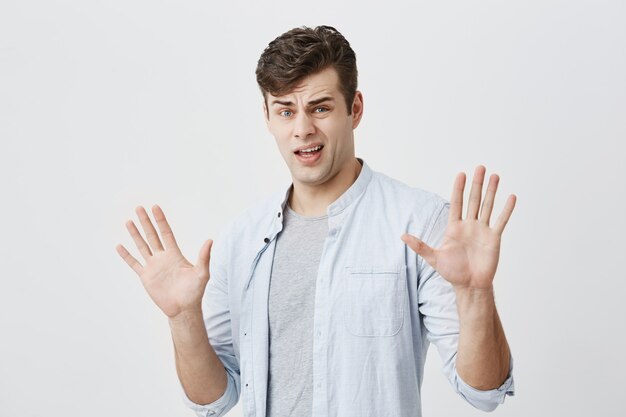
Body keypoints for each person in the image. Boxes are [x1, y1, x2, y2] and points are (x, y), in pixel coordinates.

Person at [116, 25, 516, 417]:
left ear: (354, 109)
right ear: (268, 118)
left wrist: (475, 293)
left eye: (320, 108)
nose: (302, 129)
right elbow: (213, 400)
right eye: (286, 111)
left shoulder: (420, 224)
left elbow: (484, 391)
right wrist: (183, 317)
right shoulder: (241, 239)